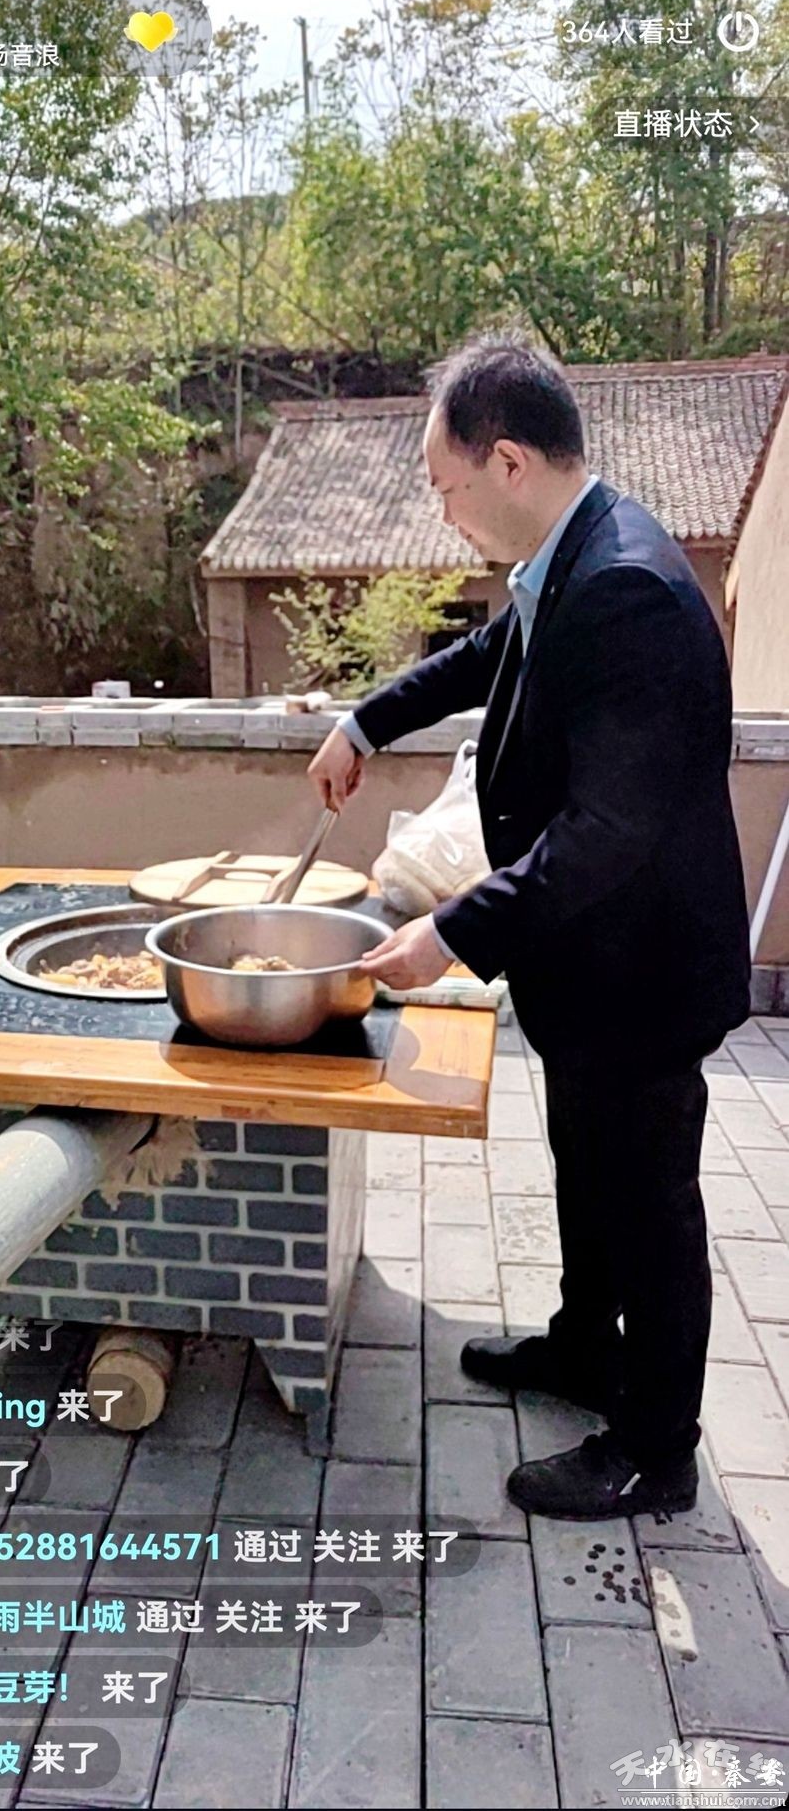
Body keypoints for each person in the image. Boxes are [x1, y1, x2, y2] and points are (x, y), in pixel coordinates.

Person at [308, 335, 751, 1521]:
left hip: (642, 969)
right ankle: (582, 1344)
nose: (442, 511)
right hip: (585, 960)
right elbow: (484, 658)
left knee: (648, 1205)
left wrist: (451, 931)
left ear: (505, 461)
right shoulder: (569, 559)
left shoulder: (626, 589)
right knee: (585, 1167)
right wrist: (362, 721)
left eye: (444, 486)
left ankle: (653, 1448)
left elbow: (608, 831)